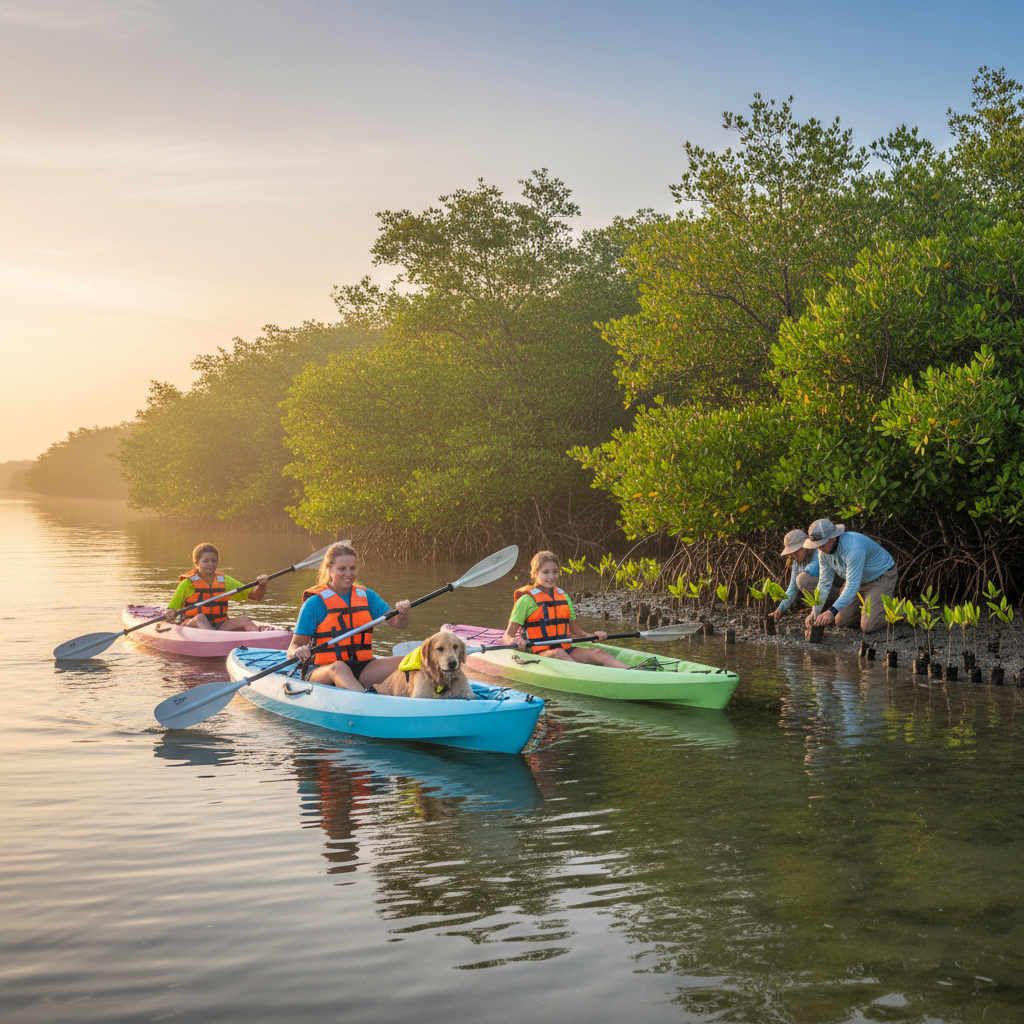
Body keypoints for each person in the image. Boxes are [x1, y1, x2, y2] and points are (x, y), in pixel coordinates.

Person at [288, 542, 411, 692]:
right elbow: (293, 648)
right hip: (322, 670)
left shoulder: (367, 596)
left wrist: (404, 613)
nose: (348, 574)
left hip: (361, 667)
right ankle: (365, 701)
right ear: (329, 569)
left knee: (405, 662)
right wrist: (298, 651)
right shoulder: (314, 603)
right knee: (339, 668)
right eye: (342, 569)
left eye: (353, 568)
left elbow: (399, 624)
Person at [501, 551, 630, 668]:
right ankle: (587, 676)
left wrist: (594, 636)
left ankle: (634, 672)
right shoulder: (526, 601)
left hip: (565, 650)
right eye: (545, 572)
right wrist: (514, 640)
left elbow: (577, 633)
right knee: (559, 653)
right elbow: (507, 636)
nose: (551, 576)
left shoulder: (564, 597)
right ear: (535, 574)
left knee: (599, 652)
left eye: (555, 571)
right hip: (536, 652)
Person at [802, 519, 897, 634]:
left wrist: (831, 611)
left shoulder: (853, 547)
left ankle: (890, 609)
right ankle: (869, 607)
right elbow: (824, 582)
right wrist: (815, 612)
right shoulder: (824, 551)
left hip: (880, 577)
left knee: (868, 627)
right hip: (858, 580)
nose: (819, 548)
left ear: (832, 538)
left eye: (821, 543)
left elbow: (852, 585)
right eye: (816, 545)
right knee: (841, 621)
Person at [164, 543, 269, 631]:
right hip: (192, 627)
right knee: (200, 618)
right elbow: (172, 609)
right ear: (196, 563)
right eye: (206, 561)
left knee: (244, 620)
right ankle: (213, 642)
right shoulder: (187, 583)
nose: (210, 564)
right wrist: (170, 613)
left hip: (220, 625)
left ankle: (262, 646)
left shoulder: (225, 581)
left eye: (214, 561)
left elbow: (256, 596)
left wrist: (261, 586)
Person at [769, 528, 841, 622]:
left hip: (837, 591)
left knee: (801, 579)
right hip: (822, 595)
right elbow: (792, 589)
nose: (794, 556)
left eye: (796, 551)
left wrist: (801, 572)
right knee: (800, 579)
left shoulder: (818, 552)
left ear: (804, 546)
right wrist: (779, 609)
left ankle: (824, 608)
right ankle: (819, 609)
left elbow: (817, 568)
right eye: (792, 553)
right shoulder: (797, 562)